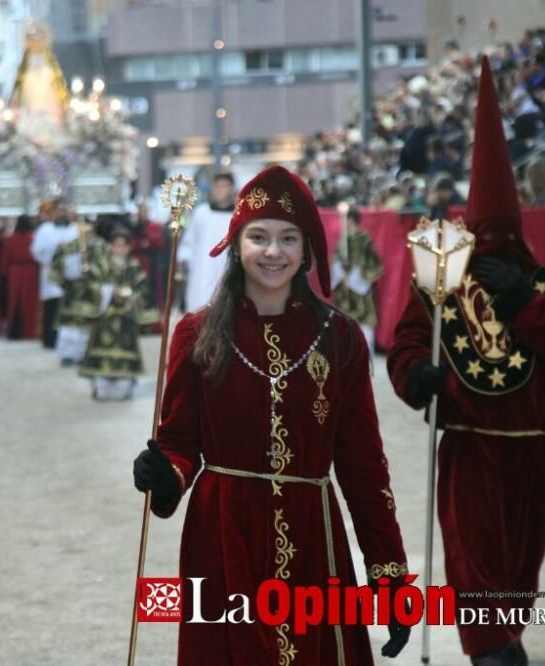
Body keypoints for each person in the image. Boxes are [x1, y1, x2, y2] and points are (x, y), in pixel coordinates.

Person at [133, 165, 411, 665]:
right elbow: (179, 441)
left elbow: (365, 466)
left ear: (307, 248)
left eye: (288, 238)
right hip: (221, 538)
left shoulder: (340, 337)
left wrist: (389, 576)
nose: (273, 251)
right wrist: (165, 474)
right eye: (258, 237)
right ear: (236, 244)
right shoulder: (196, 335)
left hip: (312, 537)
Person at [387, 58, 545, 665]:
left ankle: (505, 638)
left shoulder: (542, 283)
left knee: (520, 568)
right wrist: (415, 378)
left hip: (531, 445)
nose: (496, 241)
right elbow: (407, 343)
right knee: (474, 564)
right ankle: (491, 650)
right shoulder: (439, 277)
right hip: (471, 443)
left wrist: (525, 302)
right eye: (487, 230)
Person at [79, 225, 148, 400]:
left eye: (123, 245)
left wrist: (134, 298)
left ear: (129, 247)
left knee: (125, 351)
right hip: (105, 318)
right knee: (102, 351)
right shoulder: (101, 265)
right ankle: (100, 387)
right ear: (110, 246)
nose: (120, 249)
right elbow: (90, 285)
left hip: (125, 318)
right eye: (116, 245)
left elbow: (142, 288)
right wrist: (109, 291)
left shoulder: (133, 266)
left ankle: (124, 387)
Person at [50, 214, 106, 365]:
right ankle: (67, 354)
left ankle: (86, 354)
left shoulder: (100, 246)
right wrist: (70, 268)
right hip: (72, 292)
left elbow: (106, 269)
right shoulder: (69, 246)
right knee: (69, 326)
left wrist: (89, 263)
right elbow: (57, 265)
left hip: (90, 291)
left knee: (86, 326)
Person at [177, 172, 236, 312]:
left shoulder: (236, 215)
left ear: (232, 188)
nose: (220, 189)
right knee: (200, 312)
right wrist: (184, 258)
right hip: (202, 270)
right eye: (217, 186)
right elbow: (189, 242)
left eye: (224, 186)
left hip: (227, 269)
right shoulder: (201, 213)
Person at [330, 206, 384, 352]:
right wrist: (341, 275)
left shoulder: (364, 239)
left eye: (345, 219)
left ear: (351, 219)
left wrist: (356, 277)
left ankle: (366, 359)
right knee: (345, 324)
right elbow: (336, 261)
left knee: (365, 324)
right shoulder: (342, 240)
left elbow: (374, 263)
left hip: (361, 288)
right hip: (344, 289)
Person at [30, 198, 77, 348]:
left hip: (71, 274)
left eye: (65, 210)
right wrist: (53, 249)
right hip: (51, 274)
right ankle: (50, 340)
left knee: (69, 308)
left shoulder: (74, 229)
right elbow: (36, 251)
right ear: (54, 212)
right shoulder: (45, 229)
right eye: (59, 210)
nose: (62, 213)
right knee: (52, 307)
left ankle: (70, 341)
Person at [0, 214, 41, 339]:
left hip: (15, 271)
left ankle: (15, 331)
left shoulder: (10, 239)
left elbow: (5, 259)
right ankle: (30, 330)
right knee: (30, 301)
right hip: (31, 271)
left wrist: (3, 274)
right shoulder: (34, 238)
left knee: (15, 301)